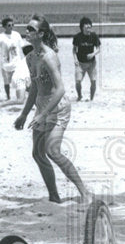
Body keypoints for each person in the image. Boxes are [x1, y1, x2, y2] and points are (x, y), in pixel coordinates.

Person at [14, 16, 92, 204]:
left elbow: (60, 89)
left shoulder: (49, 57)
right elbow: (34, 87)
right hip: (42, 105)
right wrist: (24, 113)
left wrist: (42, 114)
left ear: (41, 33)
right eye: (27, 28)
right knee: (37, 153)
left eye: (31, 29)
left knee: (53, 151)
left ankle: (85, 193)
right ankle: (54, 196)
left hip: (58, 108)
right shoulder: (31, 57)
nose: (27, 32)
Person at [0, 18, 25, 100]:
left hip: (16, 62)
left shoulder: (17, 35)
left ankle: (19, 96)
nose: (11, 27)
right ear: (4, 26)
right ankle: (8, 96)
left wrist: (26, 58)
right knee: (6, 81)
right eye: (9, 25)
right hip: (5, 63)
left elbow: (23, 47)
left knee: (18, 79)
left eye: (12, 25)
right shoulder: (0, 37)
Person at [72, 17, 101, 101]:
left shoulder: (94, 36)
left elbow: (98, 49)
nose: (88, 27)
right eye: (86, 26)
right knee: (78, 82)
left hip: (92, 63)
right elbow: (74, 50)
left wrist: (93, 54)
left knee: (93, 81)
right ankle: (79, 96)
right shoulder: (77, 37)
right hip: (80, 63)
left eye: (90, 26)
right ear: (82, 27)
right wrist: (75, 59)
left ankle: (91, 98)